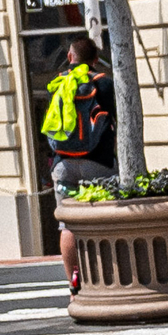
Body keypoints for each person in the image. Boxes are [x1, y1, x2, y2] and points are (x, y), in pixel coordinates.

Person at [40, 36, 112, 293]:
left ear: (70, 57)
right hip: (99, 164)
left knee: (67, 224)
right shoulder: (102, 83)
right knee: (104, 220)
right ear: (95, 60)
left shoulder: (59, 84)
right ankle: (105, 280)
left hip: (63, 166)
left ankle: (74, 285)